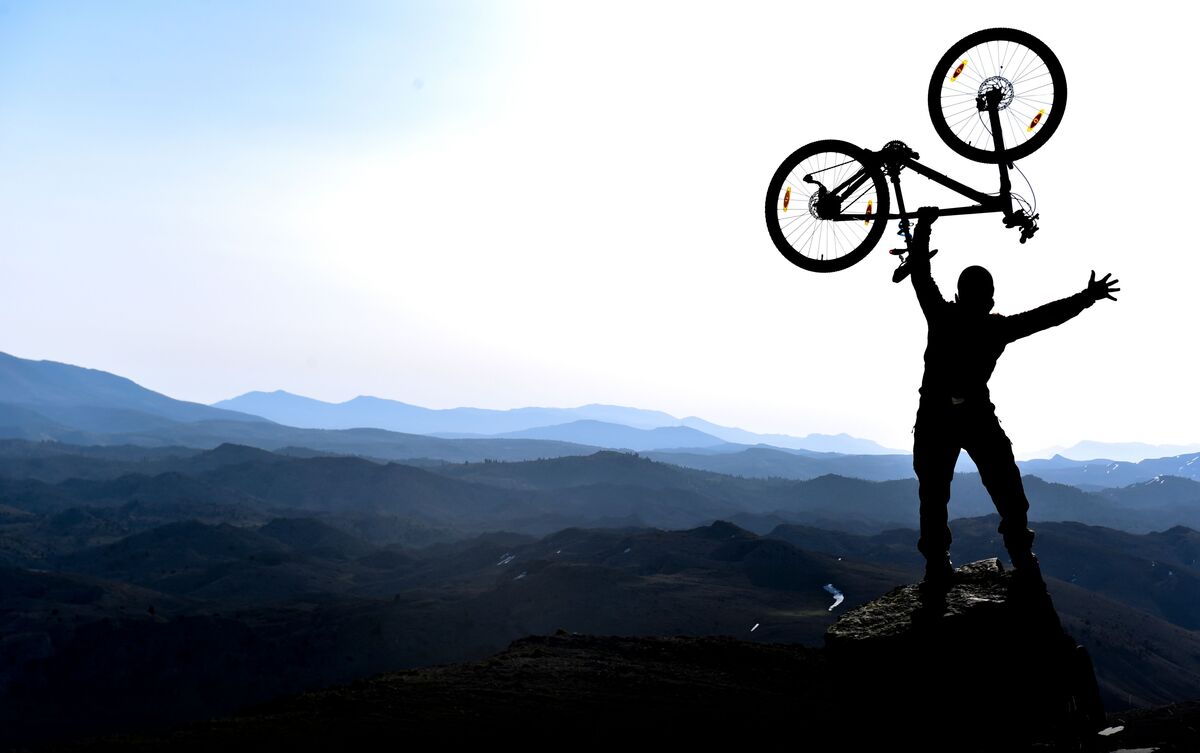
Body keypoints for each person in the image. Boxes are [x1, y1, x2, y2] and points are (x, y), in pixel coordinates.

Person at [903, 206, 1119, 589]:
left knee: (935, 494)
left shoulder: (943, 316)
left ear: (960, 294)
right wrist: (1087, 298)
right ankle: (1018, 552)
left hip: (937, 417)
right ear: (989, 299)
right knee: (1003, 486)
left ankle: (938, 562)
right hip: (973, 417)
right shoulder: (994, 328)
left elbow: (921, 272)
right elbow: (1044, 316)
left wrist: (923, 228)